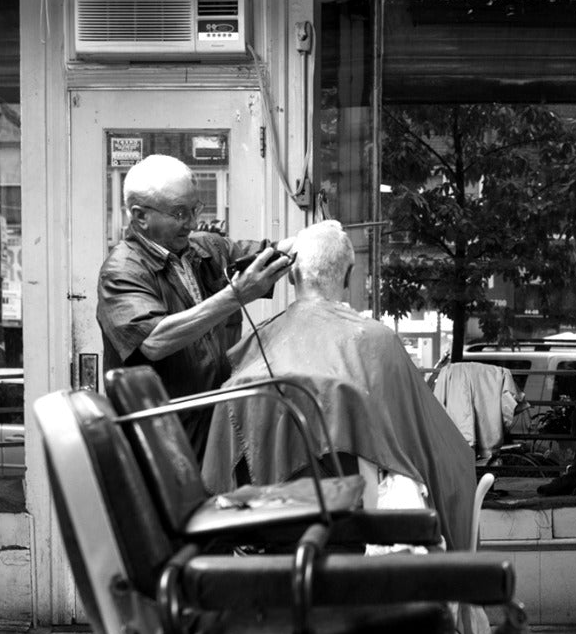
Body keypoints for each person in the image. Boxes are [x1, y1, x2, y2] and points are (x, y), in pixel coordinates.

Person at [202, 220, 477, 552]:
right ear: (348, 277)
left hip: (266, 530)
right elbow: (424, 438)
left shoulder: (255, 345)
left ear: (291, 276)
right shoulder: (376, 340)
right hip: (352, 529)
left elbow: (221, 469)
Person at [96, 153, 291, 460]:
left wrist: (310, 242)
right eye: (179, 213)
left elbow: (273, 254)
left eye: (194, 209)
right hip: (163, 439)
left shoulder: (205, 249)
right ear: (139, 216)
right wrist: (236, 296)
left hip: (213, 422)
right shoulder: (121, 271)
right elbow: (154, 340)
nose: (191, 222)